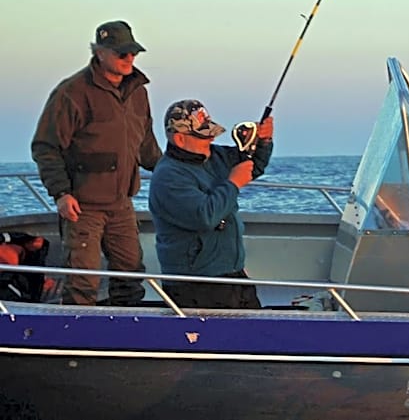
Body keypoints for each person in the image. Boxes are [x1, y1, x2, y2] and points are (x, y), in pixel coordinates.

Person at [31, 20, 162, 306]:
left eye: (133, 52)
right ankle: (76, 331)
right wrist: (61, 193)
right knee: (83, 281)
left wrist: (172, 171)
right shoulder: (72, 92)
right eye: (122, 53)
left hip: (122, 204)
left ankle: (127, 327)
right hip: (82, 206)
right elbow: (45, 146)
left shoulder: (138, 92)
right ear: (99, 52)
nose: (129, 58)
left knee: (131, 275)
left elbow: (147, 146)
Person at [148, 100, 273, 309]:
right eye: (202, 136)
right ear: (179, 139)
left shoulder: (216, 156)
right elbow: (204, 216)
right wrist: (233, 183)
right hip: (195, 282)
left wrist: (264, 141)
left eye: (210, 132)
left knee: (252, 326)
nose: (211, 138)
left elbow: (252, 166)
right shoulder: (168, 176)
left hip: (231, 273)